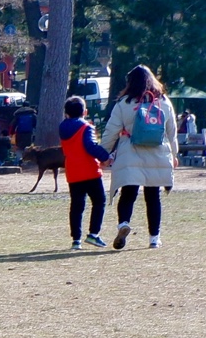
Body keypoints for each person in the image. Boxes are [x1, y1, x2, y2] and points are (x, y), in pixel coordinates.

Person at [100, 64, 178, 250]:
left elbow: (111, 131)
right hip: (158, 153)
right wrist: (174, 155)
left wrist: (104, 152)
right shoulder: (164, 102)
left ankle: (124, 223)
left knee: (128, 194)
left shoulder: (125, 103)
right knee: (153, 197)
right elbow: (171, 132)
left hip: (130, 152)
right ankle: (154, 238)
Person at [58, 95, 111, 250]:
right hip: (89, 171)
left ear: (66, 112)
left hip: (73, 172)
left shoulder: (62, 127)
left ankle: (76, 239)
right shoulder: (86, 127)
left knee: (76, 205)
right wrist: (105, 157)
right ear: (85, 111)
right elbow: (90, 146)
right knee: (99, 201)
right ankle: (93, 234)